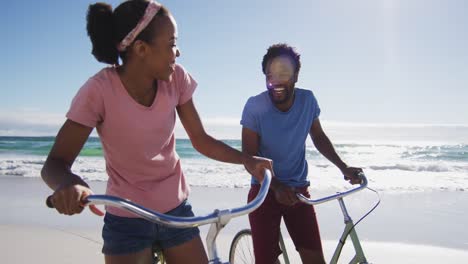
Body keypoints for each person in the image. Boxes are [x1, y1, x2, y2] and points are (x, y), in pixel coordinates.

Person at [41, 1, 272, 263]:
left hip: (176, 211)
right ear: (141, 49)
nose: (178, 52)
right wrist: (68, 184)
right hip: (125, 217)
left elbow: (201, 139)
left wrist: (246, 160)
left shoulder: (176, 79)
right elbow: (54, 163)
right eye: (172, 43)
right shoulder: (98, 91)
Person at [240, 43, 363, 264]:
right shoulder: (254, 106)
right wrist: (276, 186)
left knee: (315, 260)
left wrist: (344, 167)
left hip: (298, 191)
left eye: (283, 73)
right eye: (270, 75)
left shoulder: (307, 101)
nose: (275, 80)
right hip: (264, 190)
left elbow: (319, 137)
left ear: (296, 76)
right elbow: (248, 157)